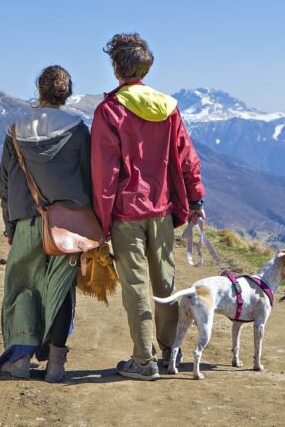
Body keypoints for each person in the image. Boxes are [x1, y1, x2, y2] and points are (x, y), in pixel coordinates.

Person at [91, 33, 206, 381]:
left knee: (136, 287)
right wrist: (196, 199)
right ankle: (171, 351)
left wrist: (101, 221)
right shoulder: (168, 107)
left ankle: (143, 361)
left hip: (127, 213)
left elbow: (105, 173)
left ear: (116, 67)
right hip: (163, 211)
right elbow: (187, 158)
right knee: (165, 283)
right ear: (146, 67)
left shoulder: (109, 111)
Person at [0, 65, 92, 382]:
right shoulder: (78, 129)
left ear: (39, 90)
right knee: (61, 292)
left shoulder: (16, 130)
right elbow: (89, 178)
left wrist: (10, 226)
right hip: (69, 226)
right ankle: (56, 365)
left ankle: (21, 361)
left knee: (23, 288)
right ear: (68, 93)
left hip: (26, 221)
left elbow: (6, 183)